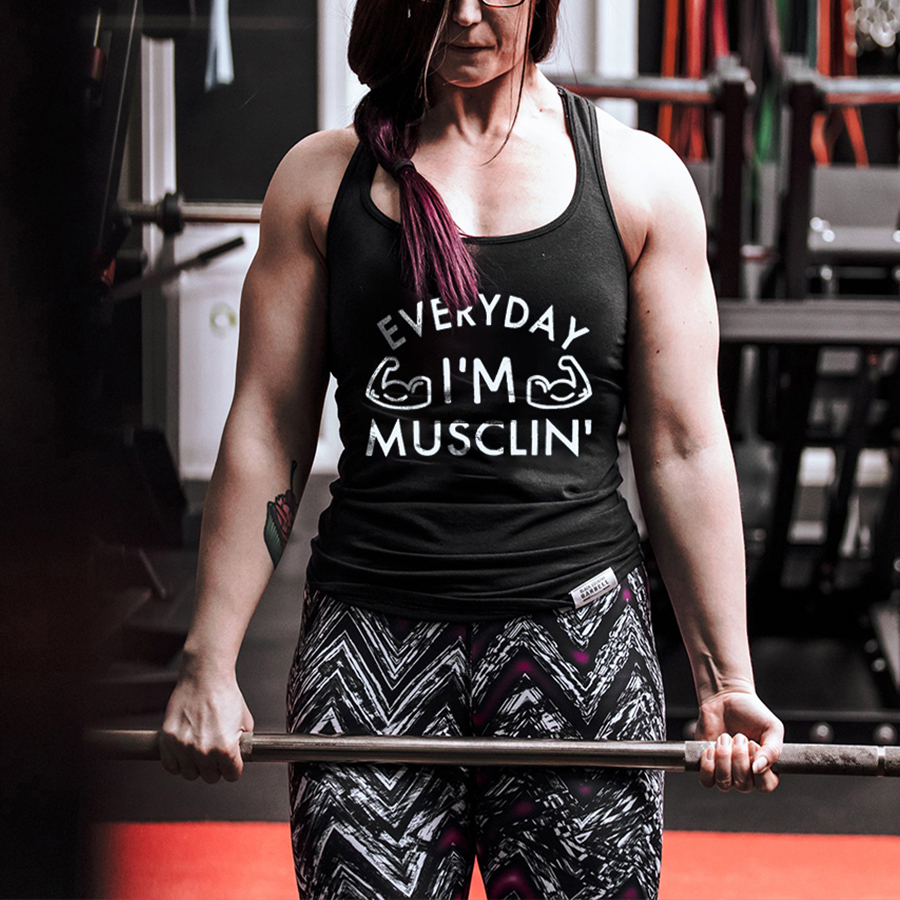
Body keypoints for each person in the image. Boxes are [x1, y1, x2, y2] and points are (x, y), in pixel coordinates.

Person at [159, 0, 785, 896]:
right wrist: (208, 662)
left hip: (580, 644)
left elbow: (683, 446)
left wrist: (725, 680)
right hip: (368, 644)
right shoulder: (320, 181)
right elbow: (267, 427)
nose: (464, 13)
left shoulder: (638, 179)